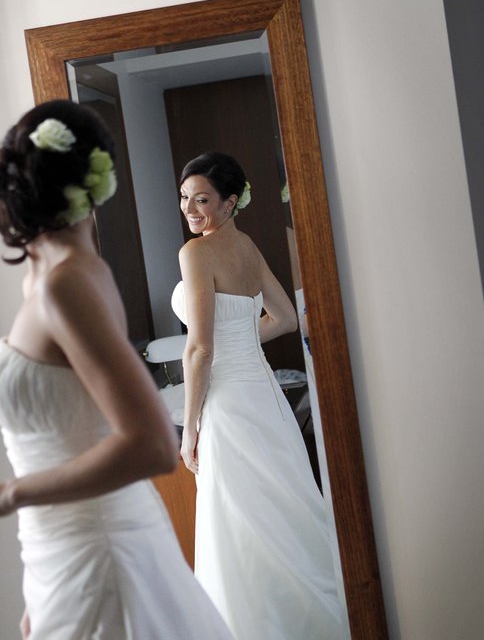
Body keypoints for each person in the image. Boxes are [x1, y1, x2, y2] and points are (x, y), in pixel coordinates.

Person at [0, 101, 234, 640]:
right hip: (58, 554)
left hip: (100, 553)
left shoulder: (69, 284)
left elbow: (152, 444)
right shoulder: (48, 278)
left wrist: (14, 493)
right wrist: (40, 588)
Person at [172, 151, 348, 640]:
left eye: (202, 199)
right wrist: (242, 341)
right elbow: (286, 319)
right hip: (265, 397)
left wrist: (189, 432)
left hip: (227, 403)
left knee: (241, 524)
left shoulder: (196, 254)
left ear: (230, 202)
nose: (190, 208)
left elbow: (200, 350)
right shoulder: (246, 246)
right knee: (283, 512)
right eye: (185, 197)